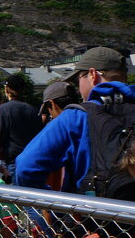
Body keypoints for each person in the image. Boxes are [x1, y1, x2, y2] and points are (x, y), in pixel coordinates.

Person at [15, 46, 135, 198]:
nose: (78, 88)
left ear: (92, 75)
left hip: (96, 215)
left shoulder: (76, 116)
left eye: (79, 78)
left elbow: (26, 167)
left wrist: (55, 208)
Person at [0, 74, 43, 181]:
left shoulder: (3, 109)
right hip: (33, 162)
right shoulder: (32, 110)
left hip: (15, 162)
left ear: (6, 89)